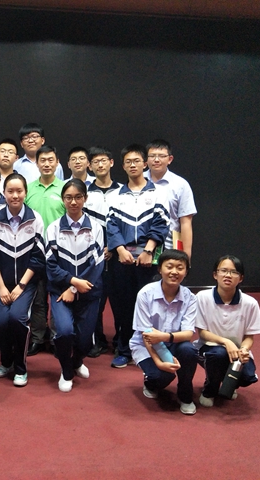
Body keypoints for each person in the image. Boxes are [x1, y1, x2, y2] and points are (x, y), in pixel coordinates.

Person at [106, 144, 170, 369]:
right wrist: (120, 250)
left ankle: (150, 349)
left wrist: (148, 250)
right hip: (122, 259)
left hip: (148, 260)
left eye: (136, 161)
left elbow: (161, 224)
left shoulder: (158, 193)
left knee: (150, 305)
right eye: (128, 162)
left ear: (144, 164)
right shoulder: (115, 195)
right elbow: (111, 226)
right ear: (123, 166)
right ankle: (125, 349)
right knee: (123, 306)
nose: (132, 165)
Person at [0, 173, 46, 387]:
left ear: (26, 193)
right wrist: (1, 287)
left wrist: (21, 285)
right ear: (4, 193)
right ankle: (7, 361)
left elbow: (38, 258)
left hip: (26, 284)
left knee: (17, 319)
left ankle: (20, 367)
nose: (15, 195)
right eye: (10, 191)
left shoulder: (35, 218)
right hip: (0, 282)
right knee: (0, 321)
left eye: (19, 191)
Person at [46, 180, 104, 392]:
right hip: (60, 292)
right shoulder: (53, 228)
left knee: (85, 340)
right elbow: (50, 265)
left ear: (85, 199)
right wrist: (71, 283)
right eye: (68, 197)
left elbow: (97, 265)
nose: (73, 202)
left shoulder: (96, 227)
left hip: (89, 292)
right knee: (63, 332)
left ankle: (78, 361)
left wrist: (75, 288)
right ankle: (66, 370)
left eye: (78, 197)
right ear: (63, 200)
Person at [130, 249, 198, 415]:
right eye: (169, 266)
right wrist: (159, 362)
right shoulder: (145, 294)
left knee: (189, 351)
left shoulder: (190, 298)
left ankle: (185, 394)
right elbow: (146, 334)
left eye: (180, 268)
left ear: (186, 272)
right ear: (160, 269)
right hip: (145, 345)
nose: (174, 272)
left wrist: (164, 337)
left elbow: (188, 334)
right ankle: (150, 384)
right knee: (161, 376)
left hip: (174, 342)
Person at [195, 255, 260, 407]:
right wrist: (226, 342)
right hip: (208, 347)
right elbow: (202, 332)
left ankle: (229, 383)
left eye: (234, 272)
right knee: (218, 355)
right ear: (215, 274)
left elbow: (249, 336)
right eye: (223, 271)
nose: (228, 275)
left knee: (248, 377)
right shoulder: (202, 297)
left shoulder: (250, 303)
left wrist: (244, 349)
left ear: (241, 278)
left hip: (237, 351)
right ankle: (210, 390)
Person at [24, 145, 65, 356]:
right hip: (35, 253)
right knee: (38, 299)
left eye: (51, 160)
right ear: (37, 163)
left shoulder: (65, 188)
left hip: (60, 254)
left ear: (57, 162)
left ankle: (57, 338)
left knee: (58, 297)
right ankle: (38, 338)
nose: (47, 164)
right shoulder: (28, 189)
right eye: (43, 160)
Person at [84, 146, 121, 358]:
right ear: (90, 166)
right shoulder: (86, 193)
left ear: (111, 163)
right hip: (94, 257)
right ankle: (96, 341)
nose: (100, 165)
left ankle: (120, 341)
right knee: (94, 302)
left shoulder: (122, 191)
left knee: (119, 302)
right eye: (95, 162)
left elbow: (125, 225)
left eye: (103, 160)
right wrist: (99, 249)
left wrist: (114, 247)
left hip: (118, 256)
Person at [145, 139, 197, 260]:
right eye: (152, 156)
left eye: (161, 156)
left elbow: (185, 222)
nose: (156, 159)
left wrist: (186, 257)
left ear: (170, 159)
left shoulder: (181, 185)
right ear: (146, 159)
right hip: (140, 246)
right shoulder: (137, 180)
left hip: (169, 246)